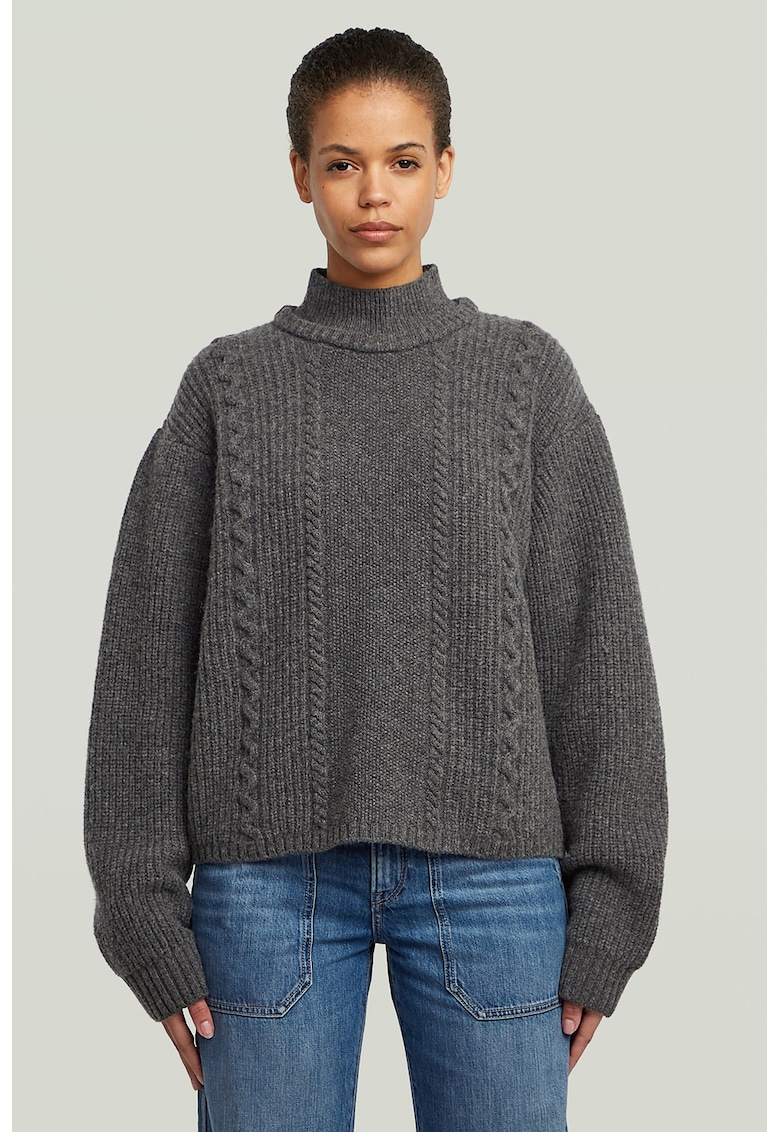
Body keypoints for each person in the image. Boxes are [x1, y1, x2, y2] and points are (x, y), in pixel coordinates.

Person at [84, 26, 668, 1132]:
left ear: (445, 168)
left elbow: (599, 650)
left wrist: (614, 908)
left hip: (495, 882)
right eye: (343, 162)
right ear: (299, 173)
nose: (373, 192)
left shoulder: (525, 378)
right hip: (266, 887)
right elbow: (144, 660)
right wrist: (141, 907)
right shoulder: (227, 389)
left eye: (402, 160)